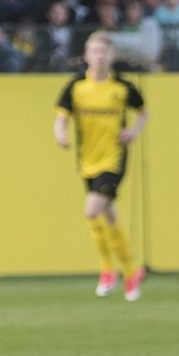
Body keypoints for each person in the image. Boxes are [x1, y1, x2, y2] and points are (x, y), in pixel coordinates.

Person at [53, 32, 148, 301]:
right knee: (109, 216)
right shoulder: (76, 87)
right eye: (94, 51)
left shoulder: (122, 87)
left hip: (114, 158)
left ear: (111, 56)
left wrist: (134, 131)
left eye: (104, 52)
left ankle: (108, 270)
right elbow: (61, 116)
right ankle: (131, 271)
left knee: (92, 210)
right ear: (86, 56)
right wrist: (59, 133)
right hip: (87, 160)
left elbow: (143, 111)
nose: (100, 56)